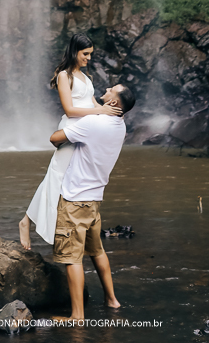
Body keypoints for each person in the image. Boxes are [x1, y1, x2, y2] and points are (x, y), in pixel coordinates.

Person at [19, 33, 122, 250]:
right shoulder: (64, 76)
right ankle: (26, 221)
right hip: (71, 128)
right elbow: (69, 109)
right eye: (86, 54)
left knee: (61, 177)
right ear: (75, 52)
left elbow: (93, 104)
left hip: (84, 132)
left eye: (90, 54)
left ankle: (36, 221)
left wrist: (110, 114)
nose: (89, 58)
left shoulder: (86, 78)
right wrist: (99, 111)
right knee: (55, 177)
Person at [49, 82, 136, 323]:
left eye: (111, 90)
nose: (107, 88)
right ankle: (112, 300)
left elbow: (55, 139)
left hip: (75, 199)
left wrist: (89, 115)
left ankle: (77, 316)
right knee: (97, 250)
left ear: (114, 103)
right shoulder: (120, 126)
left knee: (72, 257)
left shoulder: (93, 123)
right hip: (94, 199)